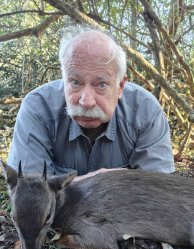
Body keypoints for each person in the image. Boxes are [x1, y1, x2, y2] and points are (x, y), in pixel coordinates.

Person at [8, 25, 175, 179]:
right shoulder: (37, 108)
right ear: (64, 80)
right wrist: (106, 181)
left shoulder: (145, 111)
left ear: (120, 86)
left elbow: (159, 193)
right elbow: (29, 194)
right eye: (75, 82)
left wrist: (65, 188)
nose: (86, 102)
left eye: (101, 84)